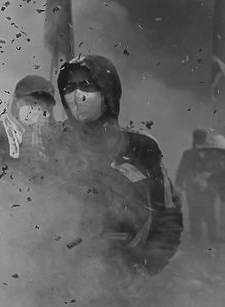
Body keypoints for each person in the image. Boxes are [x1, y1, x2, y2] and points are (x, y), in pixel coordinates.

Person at [51, 56, 183, 293]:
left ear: (108, 92)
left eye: (87, 86)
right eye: (69, 87)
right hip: (59, 282)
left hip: (122, 282)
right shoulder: (51, 145)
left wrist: (146, 267)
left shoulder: (141, 148)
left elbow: (168, 216)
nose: (77, 95)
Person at [0, 74, 58, 187]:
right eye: (30, 101)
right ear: (15, 101)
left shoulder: (51, 141)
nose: (36, 108)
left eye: (43, 105)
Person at [174, 129, 219, 245]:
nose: (200, 146)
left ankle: (213, 242)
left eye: (202, 143)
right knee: (194, 215)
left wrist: (207, 181)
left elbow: (218, 172)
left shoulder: (213, 154)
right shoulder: (188, 154)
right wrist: (178, 186)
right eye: (198, 143)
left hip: (208, 191)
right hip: (192, 191)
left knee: (210, 216)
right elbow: (181, 171)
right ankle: (196, 241)